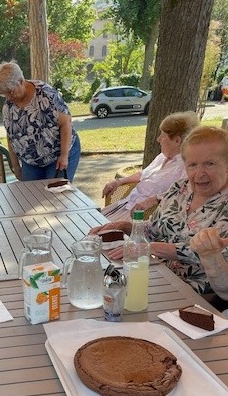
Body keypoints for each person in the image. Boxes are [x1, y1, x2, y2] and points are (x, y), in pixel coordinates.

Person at [90, 125, 228, 296]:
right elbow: (154, 229)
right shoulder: (180, 188)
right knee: (99, 287)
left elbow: (217, 254)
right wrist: (123, 226)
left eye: (210, 164)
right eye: (192, 165)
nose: (199, 173)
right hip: (156, 276)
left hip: (198, 294)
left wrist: (152, 248)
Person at [101, 111, 199, 221]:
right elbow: (142, 174)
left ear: (177, 141)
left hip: (143, 216)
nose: (158, 140)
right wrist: (119, 182)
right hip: (127, 204)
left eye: (162, 136)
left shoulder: (185, 166)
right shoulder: (162, 157)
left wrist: (152, 200)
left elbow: (182, 193)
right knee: (90, 222)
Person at [0, 60, 81, 182]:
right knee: (30, 195)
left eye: (10, 91)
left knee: (55, 196)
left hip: (57, 155)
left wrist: (64, 155)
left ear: (21, 82)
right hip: (31, 161)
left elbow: (66, 123)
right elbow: (11, 135)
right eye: (4, 94)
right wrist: (16, 165)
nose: (8, 97)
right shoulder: (9, 106)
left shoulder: (46, 95)